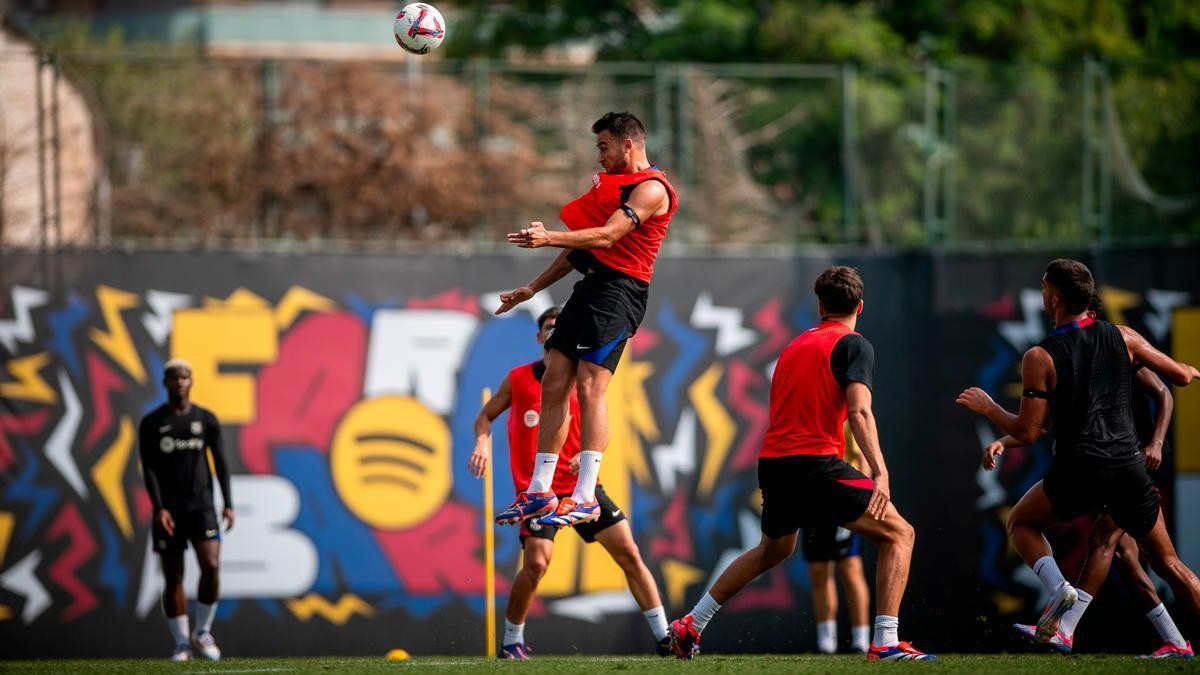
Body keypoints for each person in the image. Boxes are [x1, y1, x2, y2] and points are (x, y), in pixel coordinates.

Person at [668, 266, 935, 661]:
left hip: (775, 464)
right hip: (815, 464)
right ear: (860, 306)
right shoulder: (855, 345)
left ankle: (692, 623)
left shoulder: (794, 346)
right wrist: (880, 470)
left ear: (820, 306)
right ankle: (885, 642)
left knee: (771, 551)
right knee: (900, 534)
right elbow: (860, 412)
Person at [958, 258, 1200, 656]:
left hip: (1083, 469)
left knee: (1021, 522)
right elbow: (1176, 378)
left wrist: (987, 407)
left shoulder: (1040, 357)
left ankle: (1060, 594)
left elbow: (1030, 431)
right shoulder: (1123, 337)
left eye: (1042, 287)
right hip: (1128, 467)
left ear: (1053, 297)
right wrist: (1188, 370)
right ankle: (1165, 641)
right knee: (1167, 564)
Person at [493, 111, 678, 529]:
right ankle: (540, 492)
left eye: (604, 147)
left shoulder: (650, 189)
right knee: (554, 378)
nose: (600, 157)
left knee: (592, 386)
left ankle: (585, 496)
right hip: (591, 289)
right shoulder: (613, 188)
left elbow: (607, 236)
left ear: (628, 144)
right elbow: (583, 251)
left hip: (620, 293)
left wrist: (548, 236)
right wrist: (533, 288)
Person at [469, 307, 671, 659]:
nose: (555, 331)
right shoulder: (519, 379)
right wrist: (481, 442)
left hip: (581, 490)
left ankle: (666, 637)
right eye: (549, 327)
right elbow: (485, 416)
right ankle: (511, 642)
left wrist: (591, 456)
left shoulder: (587, 378)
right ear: (540, 336)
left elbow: (601, 429)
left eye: (561, 326)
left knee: (629, 553)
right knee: (537, 563)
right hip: (540, 492)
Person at [137, 359, 233, 662]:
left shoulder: (205, 419)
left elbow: (221, 463)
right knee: (173, 575)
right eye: (174, 378)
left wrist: (228, 504)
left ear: (191, 381)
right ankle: (181, 642)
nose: (180, 382)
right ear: (165, 383)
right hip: (170, 510)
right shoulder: (153, 423)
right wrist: (159, 508)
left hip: (202, 506)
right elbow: (149, 468)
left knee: (211, 564)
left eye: (185, 377)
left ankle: (202, 631)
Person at [803, 424, 872, 655]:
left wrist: (861, 498)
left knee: (850, 567)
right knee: (819, 569)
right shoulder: (803, 411)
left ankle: (861, 639)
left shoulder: (847, 409)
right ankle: (827, 641)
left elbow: (862, 455)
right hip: (812, 498)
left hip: (842, 496)